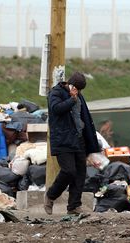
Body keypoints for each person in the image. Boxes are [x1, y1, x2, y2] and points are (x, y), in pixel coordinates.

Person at [44, 72, 100, 215]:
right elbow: (56, 109)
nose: (79, 92)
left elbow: (85, 118)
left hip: (78, 139)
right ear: (71, 85)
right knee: (69, 171)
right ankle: (51, 195)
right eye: (78, 89)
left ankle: (74, 206)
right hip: (63, 139)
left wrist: (91, 145)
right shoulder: (56, 93)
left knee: (80, 173)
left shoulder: (79, 96)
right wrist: (71, 100)